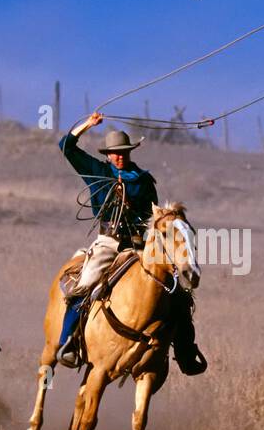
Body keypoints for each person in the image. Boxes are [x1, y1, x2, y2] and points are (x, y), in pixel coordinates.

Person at [56, 112, 206, 374]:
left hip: (139, 244)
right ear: (108, 153)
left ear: (130, 151)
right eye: (115, 152)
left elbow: (154, 216)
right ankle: (68, 342)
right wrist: (87, 125)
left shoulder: (144, 180)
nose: (120, 156)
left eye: (124, 151)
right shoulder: (97, 170)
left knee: (178, 292)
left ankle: (185, 350)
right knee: (86, 283)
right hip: (108, 243)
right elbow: (66, 146)